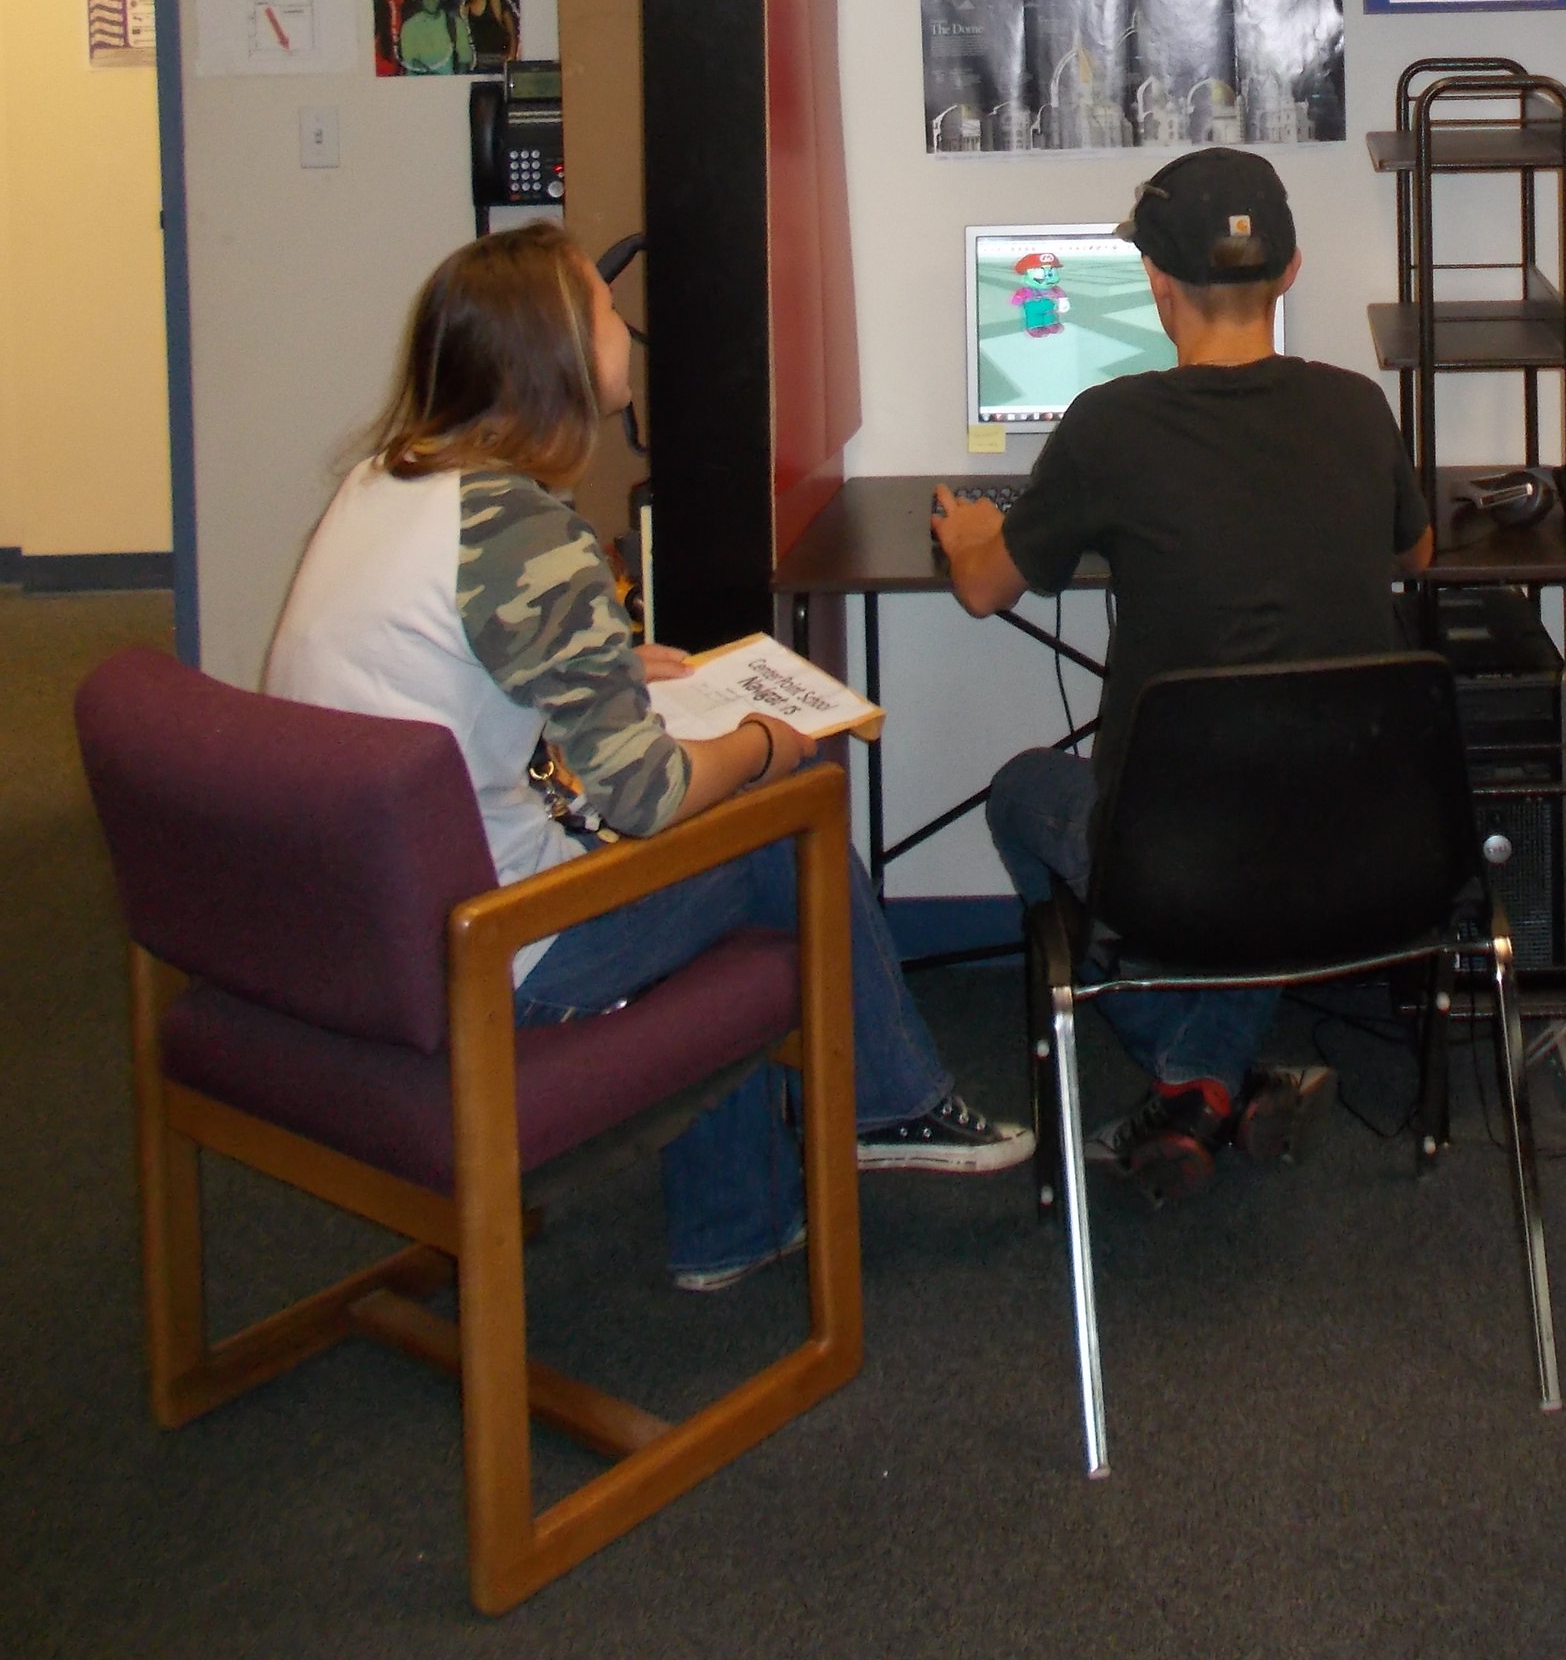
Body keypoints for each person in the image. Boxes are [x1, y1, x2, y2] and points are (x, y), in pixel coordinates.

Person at [266, 222, 1031, 1293]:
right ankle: (886, 1105)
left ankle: (742, 1217)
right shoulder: (527, 538)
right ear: (559, 357)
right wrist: (768, 741)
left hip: (345, 941)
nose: (627, 329)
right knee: (788, 810)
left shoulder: (385, 486)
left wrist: (614, 666)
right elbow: (648, 798)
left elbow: (449, 672)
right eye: (603, 310)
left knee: (735, 836)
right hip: (489, 955)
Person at [931, 148, 1432, 1208]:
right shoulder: (1360, 411)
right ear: (1291, 274)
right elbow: (1416, 557)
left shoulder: (1110, 429)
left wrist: (974, 528)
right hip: (1362, 857)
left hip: (1180, 871)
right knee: (1255, 825)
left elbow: (983, 588)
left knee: (1027, 788)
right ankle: (1219, 1072)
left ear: (1154, 284)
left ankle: (1195, 1076)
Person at [398, 0, 474, 74]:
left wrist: (458, 81)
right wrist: (434, 78)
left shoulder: (456, 24)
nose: (431, 1)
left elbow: (464, 58)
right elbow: (410, 60)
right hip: (417, 83)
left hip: (448, 83)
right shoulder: (409, 26)